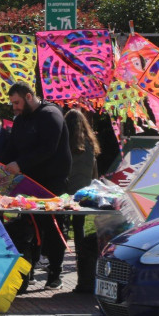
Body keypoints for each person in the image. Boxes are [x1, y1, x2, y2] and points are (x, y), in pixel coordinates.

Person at [3, 82, 72, 290]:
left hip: (52, 183)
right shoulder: (20, 120)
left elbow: (48, 149)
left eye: (17, 102)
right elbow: (12, 147)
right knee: (27, 227)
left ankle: (55, 274)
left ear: (29, 96)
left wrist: (20, 164)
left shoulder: (51, 114)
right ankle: (28, 272)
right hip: (27, 183)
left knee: (53, 228)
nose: (14, 107)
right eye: (12, 103)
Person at [64, 108, 100, 294]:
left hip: (67, 196)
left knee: (65, 231)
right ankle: (85, 279)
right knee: (83, 238)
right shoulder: (90, 144)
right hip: (85, 197)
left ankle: (57, 272)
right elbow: (94, 173)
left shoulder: (65, 143)